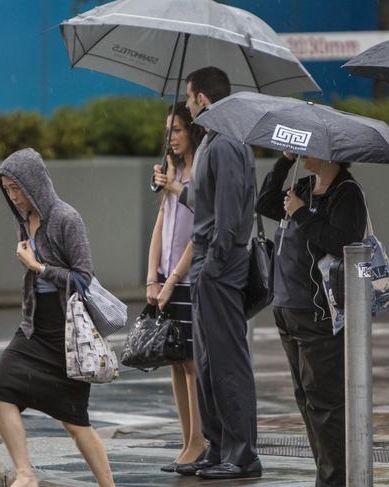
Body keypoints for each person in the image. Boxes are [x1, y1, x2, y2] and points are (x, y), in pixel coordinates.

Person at [0, 148, 115, 487]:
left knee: (75, 421)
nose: (13, 196)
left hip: (67, 331)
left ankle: (108, 485)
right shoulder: (23, 220)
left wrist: (39, 268)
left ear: (35, 183)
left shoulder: (66, 218)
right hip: (33, 327)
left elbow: (84, 277)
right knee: (0, 390)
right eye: (7, 189)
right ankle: (26, 474)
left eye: (17, 188)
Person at [158, 67, 261, 480]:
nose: (186, 104)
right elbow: (207, 200)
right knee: (208, 364)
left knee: (227, 363)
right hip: (208, 265)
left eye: (188, 96)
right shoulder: (215, 144)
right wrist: (173, 186)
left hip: (218, 267)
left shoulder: (225, 144)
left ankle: (242, 455)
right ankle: (218, 448)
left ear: (202, 99)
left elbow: (231, 217)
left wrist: (213, 265)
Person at [256, 152, 367, 487]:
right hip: (287, 308)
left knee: (326, 401)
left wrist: (302, 214)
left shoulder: (346, 193)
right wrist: (284, 161)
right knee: (305, 397)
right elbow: (264, 202)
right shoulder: (302, 185)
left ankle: (334, 479)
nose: (304, 152)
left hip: (318, 312)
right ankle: (326, 473)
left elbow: (343, 242)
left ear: (330, 154)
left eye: (308, 148)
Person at [146, 102, 206, 473]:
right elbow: (161, 224)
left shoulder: (198, 171)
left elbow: (198, 235)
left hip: (186, 278)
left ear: (192, 131)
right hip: (166, 278)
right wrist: (151, 276)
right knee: (174, 359)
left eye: (178, 130)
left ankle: (199, 441)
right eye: (168, 131)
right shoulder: (172, 171)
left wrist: (171, 280)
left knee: (191, 364)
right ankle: (187, 440)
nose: (172, 138)